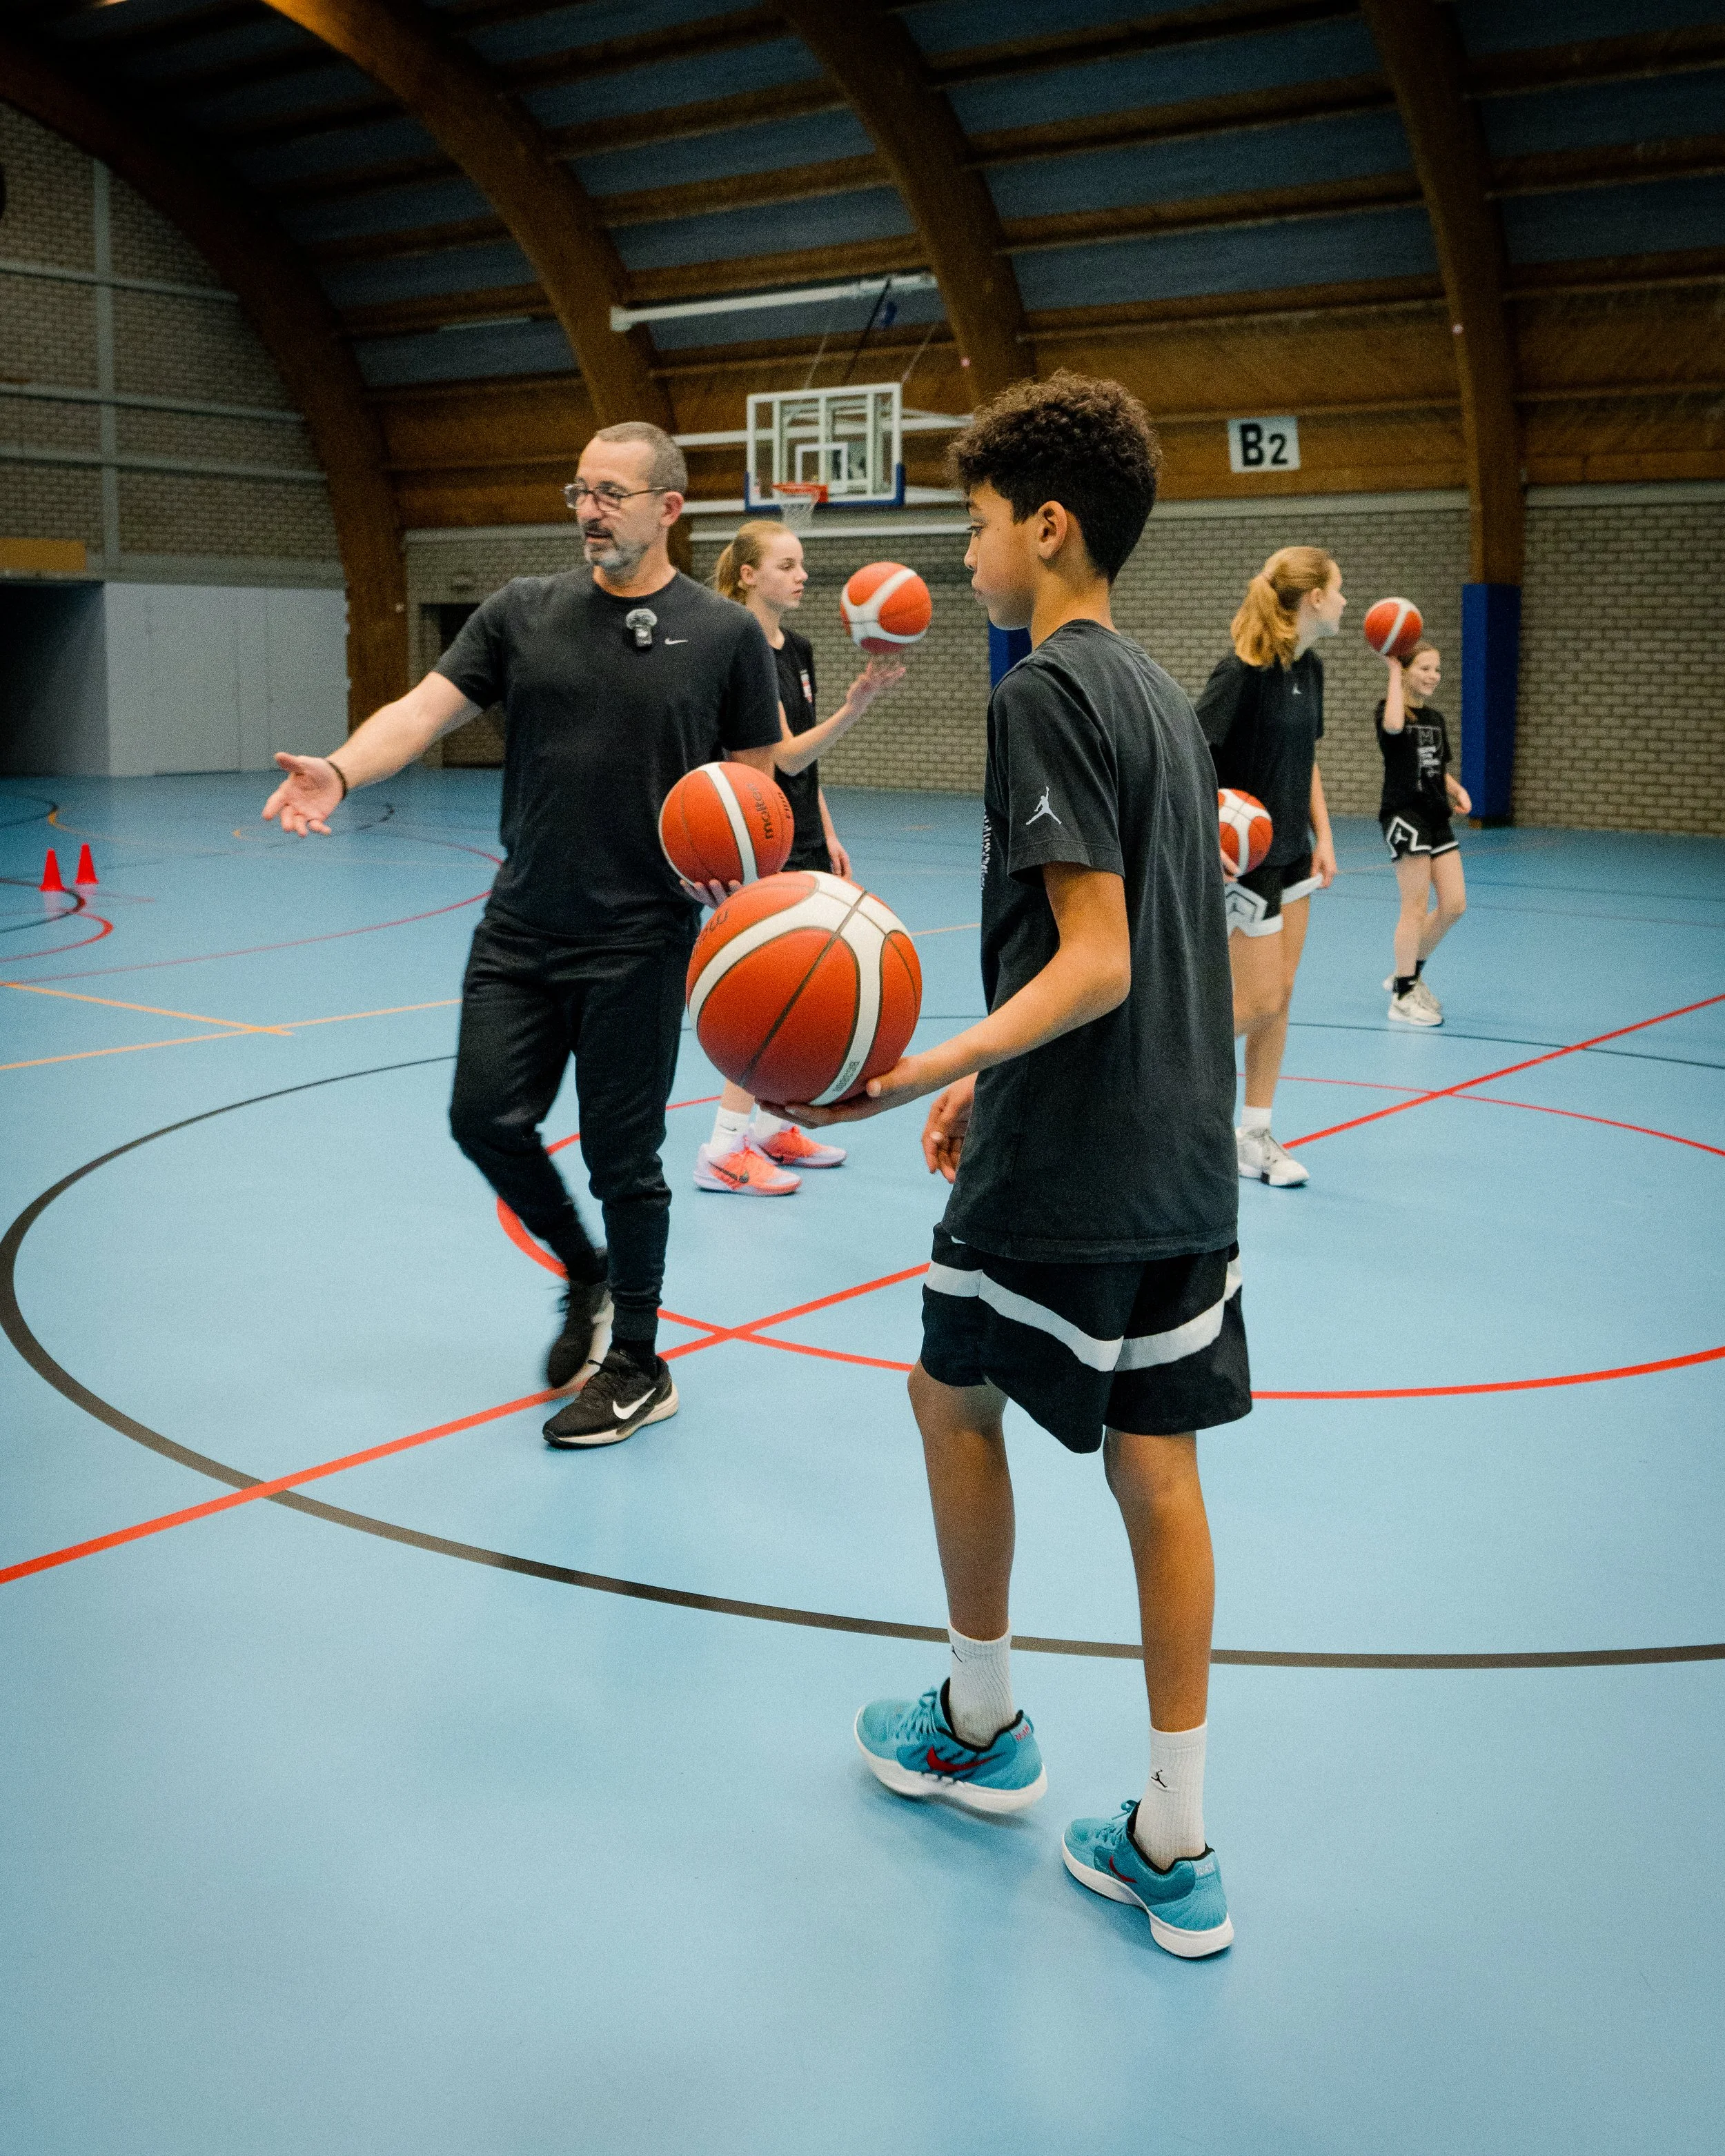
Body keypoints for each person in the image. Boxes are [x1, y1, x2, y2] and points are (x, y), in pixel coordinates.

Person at [768, 372, 1248, 1959]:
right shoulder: (1160, 702)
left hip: (1077, 1163)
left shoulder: (1041, 693)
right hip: (1183, 1151)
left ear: (1047, 528)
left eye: (978, 525)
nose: (967, 551)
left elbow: (1097, 957)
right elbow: (1135, 955)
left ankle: (977, 1722)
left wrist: (929, 1063)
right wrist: (1005, 1064)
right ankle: (1174, 1838)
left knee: (945, 1393)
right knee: (1156, 1463)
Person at [262, 422, 782, 1448]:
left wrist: (746, 870)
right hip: (523, 922)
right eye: (579, 490)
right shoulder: (523, 614)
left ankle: (638, 1359)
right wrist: (342, 769)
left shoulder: (723, 634)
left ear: (669, 508)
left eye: (612, 494)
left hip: (641, 936)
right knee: (484, 1119)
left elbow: (757, 780)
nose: (590, 510)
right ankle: (584, 1272)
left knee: (624, 1157)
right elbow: (422, 710)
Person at [693, 519, 904, 1196]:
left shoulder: (800, 646)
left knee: (797, 987)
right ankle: (724, 1147)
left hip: (803, 832)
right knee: (768, 992)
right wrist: (856, 707)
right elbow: (782, 754)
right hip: (759, 838)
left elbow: (803, 774)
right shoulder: (737, 645)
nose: (802, 574)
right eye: (787, 564)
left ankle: (764, 1128)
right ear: (749, 574)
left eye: (802, 563)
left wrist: (828, 827)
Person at [1196, 547, 1343, 1188]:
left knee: (1279, 1000)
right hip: (1246, 865)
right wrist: (1208, 835)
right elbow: (1190, 761)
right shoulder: (1240, 674)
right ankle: (1156, 1075)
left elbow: (1306, 757)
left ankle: (1253, 1132)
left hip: (1295, 854)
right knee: (1253, 1001)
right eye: (1338, 590)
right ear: (1312, 596)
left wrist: (1325, 836)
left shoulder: (1309, 670)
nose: (1345, 602)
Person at [1377, 641, 1470, 1027]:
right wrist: (1393, 671)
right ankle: (1402, 995)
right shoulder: (1389, 711)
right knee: (1414, 908)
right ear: (1406, 670)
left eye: (1437, 670)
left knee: (1454, 905)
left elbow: (1433, 766)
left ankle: (1407, 973)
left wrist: (1455, 787)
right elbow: (1397, 726)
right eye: (1425, 669)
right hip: (1405, 815)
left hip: (1436, 816)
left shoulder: (1436, 718)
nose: (1434, 676)